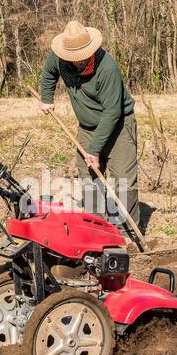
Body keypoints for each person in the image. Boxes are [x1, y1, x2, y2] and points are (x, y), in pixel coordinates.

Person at [38, 20, 139, 227]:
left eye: (80, 57)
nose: (76, 61)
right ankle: (96, 227)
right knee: (89, 177)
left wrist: (93, 150)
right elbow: (49, 73)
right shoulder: (60, 58)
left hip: (118, 126)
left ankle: (127, 232)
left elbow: (112, 112)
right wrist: (47, 98)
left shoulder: (107, 68)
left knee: (123, 179)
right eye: (71, 57)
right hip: (87, 128)